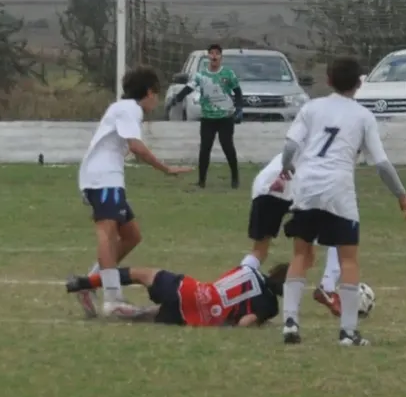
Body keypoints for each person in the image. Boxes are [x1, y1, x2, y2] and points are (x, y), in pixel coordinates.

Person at [279, 56, 406, 346]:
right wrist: (401, 195)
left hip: (308, 187)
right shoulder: (363, 116)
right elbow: (382, 165)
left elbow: (290, 145)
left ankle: (290, 322)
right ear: (359, 83)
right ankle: (348, 332)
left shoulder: (312, 108)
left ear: (328, 80)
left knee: (301, 254)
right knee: (348, 258)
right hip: (339, 190)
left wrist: (287, 166)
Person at [75, 65, 192, 319]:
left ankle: (89, 284)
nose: (157, 100)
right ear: (149, 92)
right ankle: (113, 298)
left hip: (107, 177)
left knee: (131, 235)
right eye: (157, 94)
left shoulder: (123, 109)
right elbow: (136, 147)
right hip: (103, 178)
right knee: (107, 232)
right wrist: (166, 168)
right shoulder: (130, 108)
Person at [247, 151, 344, 316]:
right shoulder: (330, 153)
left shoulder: (309, 136)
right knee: (338, 232)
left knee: (259, 251)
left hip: (265, 184)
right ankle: (327, 287)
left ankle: (241, 286)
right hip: (293, 189)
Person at [65, 261, 288, 327]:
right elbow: (245, 323)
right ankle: (128, 312)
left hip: (191, 290)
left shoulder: (249, 269)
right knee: (153, 316)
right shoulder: (270, 305)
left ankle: (85, 282)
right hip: (200, 316)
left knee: (140, 273)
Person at [166, 44, 243, 188]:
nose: (214, 56)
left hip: (225, 117)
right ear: (208, 56)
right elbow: (189, 88)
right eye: (211, 53)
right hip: (208, 117)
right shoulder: (201, 75)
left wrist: (239, 108)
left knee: (228, 146)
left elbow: (238, 92)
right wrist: (176, 98)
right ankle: (201, 181)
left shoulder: (228, 74)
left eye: (217, 53)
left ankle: (235, 178)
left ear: (221, 57)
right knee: (205, 148)